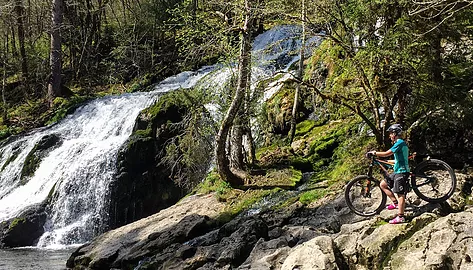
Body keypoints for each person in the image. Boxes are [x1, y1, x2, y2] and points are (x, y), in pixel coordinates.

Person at [367, 123, 410, 224]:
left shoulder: (399, 142)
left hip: (402, 171)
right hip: (397, 170)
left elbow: (387, 153)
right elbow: (395, 159)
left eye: (391, 133)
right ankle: (395, 203)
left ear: (395, 133)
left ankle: (401, 217)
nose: (390, 135)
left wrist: (374, 153)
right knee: (383, 184)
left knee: (400, 194)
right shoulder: (398, 144)